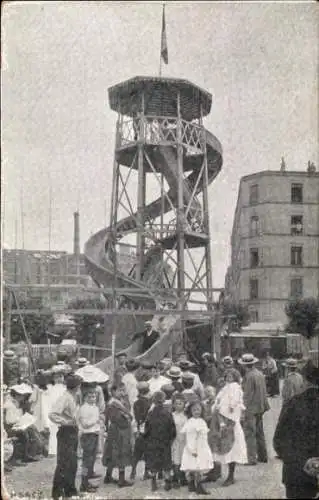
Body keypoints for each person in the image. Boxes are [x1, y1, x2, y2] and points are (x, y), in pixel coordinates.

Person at [273, 360, 319, 499]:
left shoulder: (293, 404)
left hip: (297, 475)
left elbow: (279, 442)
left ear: (304, 380)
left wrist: (303, 461)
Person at [209, 368, 247, 486]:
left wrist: (228, 413)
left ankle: (231, 475)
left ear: (235, 377)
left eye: (231, 376)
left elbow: (235, 403)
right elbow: (218, 400)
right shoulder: (224, 388)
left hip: (230, 422)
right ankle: (215, 472)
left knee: (231, 448)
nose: (229, 378)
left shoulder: (236, 388)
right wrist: (215, 407)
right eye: (227, 376)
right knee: (217, 445)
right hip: (220, 419)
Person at [49, 373, 82, 500]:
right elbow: (53, 414)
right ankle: (57, 492)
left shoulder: (73, 396)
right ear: (76, 386)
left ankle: (70, 489)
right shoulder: (65, 397)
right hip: (66, 431)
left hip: (72, 431)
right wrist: (65, 421)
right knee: (64, 462)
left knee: (72, 463)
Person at [239, 353, 270, 465]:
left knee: (250, 433)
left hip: (251, 408)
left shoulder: (248, 376)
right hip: (260, 407)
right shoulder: (259, 373)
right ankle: (263, 456)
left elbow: (247, 395)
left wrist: (243, 409)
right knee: (259, 432)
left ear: (244, 365)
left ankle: (251, 458)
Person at [144, 390, 176, 492]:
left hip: (153, 442)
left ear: (153, 401)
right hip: (165, 442)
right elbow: (172, 429)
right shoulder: (168, 413)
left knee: (154, 463)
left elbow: (147, 429)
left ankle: (153, 482)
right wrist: (171, 439)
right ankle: (167, 483)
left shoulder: (150, 414)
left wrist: (147, 438)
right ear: (164, 400)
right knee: (166, 462)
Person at [4, 383, 44, 465]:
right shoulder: (10, 404)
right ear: (17, 395)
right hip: (9, 427)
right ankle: (21, 457)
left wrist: (24, 420)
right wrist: (20, 420)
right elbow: (9, 420)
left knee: (31, 428)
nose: (23, 397)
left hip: (16, 425)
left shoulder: (18, 403)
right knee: (24, 433)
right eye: (22, 395)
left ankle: (31, 453)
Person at [103, 383, 133, 488]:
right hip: (119, 431)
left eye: (124, 390)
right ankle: (121, 480)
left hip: (114, 430)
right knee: (121, 452)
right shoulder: (114, 404)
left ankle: (108, 476)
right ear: (113, 392)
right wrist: (127, 418)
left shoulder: (116, 402)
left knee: (111, 452)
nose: (122, 393)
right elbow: (119, 419)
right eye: (120, 390)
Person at [180, 400, 214, 495]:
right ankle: (197, 485)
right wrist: (192, 450)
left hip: (202, 447)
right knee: (195, 467)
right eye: (194, 410)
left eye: (198, 410)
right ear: (190, 411)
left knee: (198, 467)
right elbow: (190, 438)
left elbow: (204, 435)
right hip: (195, 448)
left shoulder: (201, 421)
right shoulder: (190, 422)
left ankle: (193, 485)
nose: (196, 412)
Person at [77, 388, 100, 493]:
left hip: (94, 434)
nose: (92, 398)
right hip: (87, 435)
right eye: (90, 397)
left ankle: (88, 479)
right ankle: (83, 484)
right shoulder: (83, 408)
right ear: (85, 398)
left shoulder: (95, 407)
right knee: (86, 460)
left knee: (92, 458)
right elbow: (85, 424)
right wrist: (95, 421)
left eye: (94, 396)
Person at [130, 381, 152, 481]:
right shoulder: (150, 404)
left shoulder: (135, 403)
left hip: (139, 429)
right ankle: (146, 473)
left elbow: (133, 418)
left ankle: (133, 471)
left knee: (137, 452)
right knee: (148, 452)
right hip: (148, 430)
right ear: (147, 391)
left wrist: (135, 430)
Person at [47, 365, 66, 456]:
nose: (59, 379)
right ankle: (53, 450)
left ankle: (62, 449)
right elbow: (50, 402)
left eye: (61, 376)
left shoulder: (65, 388)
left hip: (63, 412)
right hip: (54, 411)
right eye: (57, 377)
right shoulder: (51, 388)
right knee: (53, 431)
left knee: (64, 430)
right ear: (54, 378)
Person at [171, 393, 188, 488]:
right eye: (176, 403)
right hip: (175, 440)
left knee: (183, 459)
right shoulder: (172, 415)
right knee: (176, 459)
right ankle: (176, 477)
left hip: (184, 441)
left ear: (184, 404)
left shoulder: (186, 416)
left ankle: (182, 476)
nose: (178, 405)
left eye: (180, 403)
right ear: (173, 405)